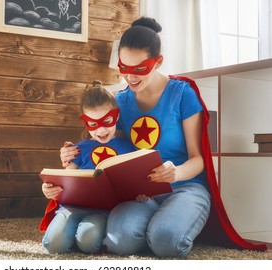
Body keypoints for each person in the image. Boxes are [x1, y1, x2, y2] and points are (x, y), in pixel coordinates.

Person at [59, 17, 266, 257]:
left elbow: (198, 158)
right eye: (124, 68)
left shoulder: (182, 93)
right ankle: (153, 226)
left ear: (158, 62)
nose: (130, 77)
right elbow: (105, 142)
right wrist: (70, 152)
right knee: (119, 242)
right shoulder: (121, 101)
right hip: (141, 195)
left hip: (185, 186)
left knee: (166, 242)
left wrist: (176, 172)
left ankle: (165, 226)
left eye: (140, 69)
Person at [40, 80, 136, 254]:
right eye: (93, 124)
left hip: (104, 211)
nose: (101, 130)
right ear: (85, 122)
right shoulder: (78, 149)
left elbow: (133, 180)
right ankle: (69, 233)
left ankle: (79, 235)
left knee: (88, 241)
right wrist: (49, 188)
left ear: (117, 116)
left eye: (107, 121)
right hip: (72, 207)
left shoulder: (127, 147)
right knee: (53, 245)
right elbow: (66, 181)